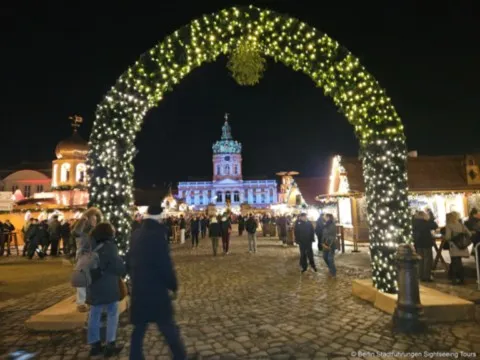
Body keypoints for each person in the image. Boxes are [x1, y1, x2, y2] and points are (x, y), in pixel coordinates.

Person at [127, 205, 186, 360]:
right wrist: (172, 284)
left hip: (140, 288)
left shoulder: (136, 234)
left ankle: (135, 357)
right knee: (167, 326)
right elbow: (164, 263)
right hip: (156, 289)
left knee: (139, 328)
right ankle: (180, 356)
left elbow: (129, 259)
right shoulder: (157, 235)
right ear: (160, 216)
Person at [87, 222, 126, 357]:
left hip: (94, 284)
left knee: (94, 314)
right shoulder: (110, 247)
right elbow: (118, 267)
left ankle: (95, 344)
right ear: (107, 233)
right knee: (112, 314)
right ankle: (110, 344)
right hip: (108, 284)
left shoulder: (90, 246)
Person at [72, 207, 103, 312]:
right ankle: (81, 302)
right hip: (83, 256)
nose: (94, 221)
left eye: (96, 219)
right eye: (92, 219)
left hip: (94, 257)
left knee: (93, 279)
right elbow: (76, 232)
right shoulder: (82, 230)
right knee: (82, 280)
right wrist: (83, 220)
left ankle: (90, 299)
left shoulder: (97, 231)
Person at [445, 212, 471, 285]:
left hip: (454, 246)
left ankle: (455, 279)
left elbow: (448, 237)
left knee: (455, 263)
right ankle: (462, 279)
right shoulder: (462, 225)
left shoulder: (449, 225)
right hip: (462, 246)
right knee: (459, 262)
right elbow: (469, 234)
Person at [412, 211, 436, 282]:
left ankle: (420, 275)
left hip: (418, 243)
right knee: (427, 259)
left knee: (420, 259)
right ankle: (426, 276)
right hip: (426, 242)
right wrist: (428, 219)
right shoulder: (425, 222)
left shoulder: (414, 222)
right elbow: (435, 226)